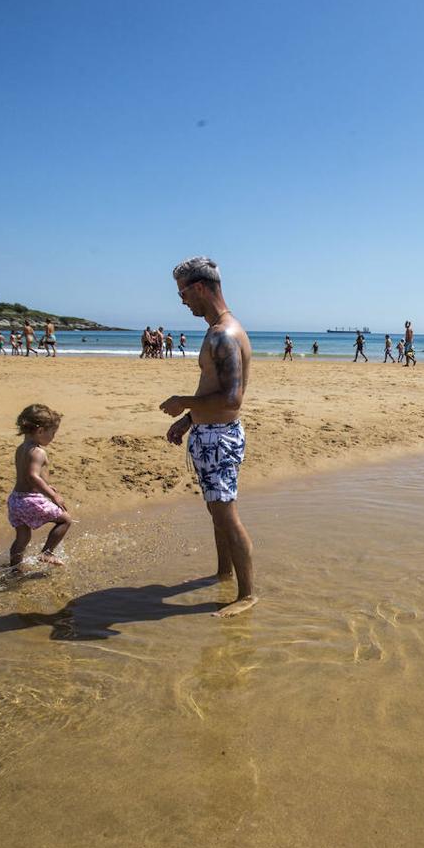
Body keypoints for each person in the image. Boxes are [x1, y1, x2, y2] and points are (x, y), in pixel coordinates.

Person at [161, 256, 256, 617]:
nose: (182, 300)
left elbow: (232, 397)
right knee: (217, 512)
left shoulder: (223, 335)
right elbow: (216, 388)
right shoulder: (217, 329)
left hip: (219, 437)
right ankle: (223, 572)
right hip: (210, 431)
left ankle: (247, 595)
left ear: (199, 288)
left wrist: (184, 401)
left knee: (226, 514)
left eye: (183, 293)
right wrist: (189, 418)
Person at [8, 403, 73, 569]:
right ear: (40, 431)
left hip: (15, 500)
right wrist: (53, 496)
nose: (53, 437)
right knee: (65, 520)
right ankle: (47, 553)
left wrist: (48, 486)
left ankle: (14, 569)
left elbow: (27, 475)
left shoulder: (21, 448)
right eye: (53, 432)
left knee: (22, 538)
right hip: (30, 499)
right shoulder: (38, 452)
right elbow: (32, 476)